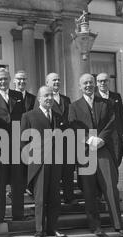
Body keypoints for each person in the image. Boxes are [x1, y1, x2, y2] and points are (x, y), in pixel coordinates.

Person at [69, 73, 123, 235]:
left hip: (103, 149)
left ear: (95, 85)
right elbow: (73, 126)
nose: (88, 85)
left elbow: (112, 122)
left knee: (110, 187)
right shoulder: (74, 106)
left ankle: (118, 224)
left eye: (91, 83)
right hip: (85, 152)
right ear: (80, 86)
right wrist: (88, 140)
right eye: (85, 83)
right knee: (89, 189)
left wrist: (101, 139)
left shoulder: (106, 103)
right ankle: (95, 226)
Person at [21, 86, 65, 237]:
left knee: (54, 198)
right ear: (39, 98)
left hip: (56, 162)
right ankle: (39, 230)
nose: (49, 98)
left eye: (51, 95)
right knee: (40, 199)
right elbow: (23, 143)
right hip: (38, 163)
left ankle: (53, 228)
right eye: (46, 95)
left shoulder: (59, 116)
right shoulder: (29, 116)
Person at [0, 67, 26, 222]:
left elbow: (22, 119)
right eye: (0, 79)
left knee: (18, 181)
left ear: (10, 80)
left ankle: (18, 214)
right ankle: (0, 216)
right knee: (0, 184)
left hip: (17, 146)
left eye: (5, 78)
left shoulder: (17, 96)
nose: (3, 81)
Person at [35, 72, 76, 204]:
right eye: (54, 80)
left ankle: (69, 197)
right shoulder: (42, 100)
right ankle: (53, 198)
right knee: (54, 174)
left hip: (66, 141)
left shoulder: (66, 99)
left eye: (58, 80)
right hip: (51, 144)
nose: (57, 82)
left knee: (68, 171)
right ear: (47, 83)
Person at [95, 72, 123, 168]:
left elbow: (121, 114)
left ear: (109, 82)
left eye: (105, 81)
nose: (102, 83)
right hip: (101, 135)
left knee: (116, 160)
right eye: (100, 81)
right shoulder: (94, 97)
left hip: (115, 135)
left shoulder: (116, 96)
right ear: (97, 83)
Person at [13, 70, 36, 197]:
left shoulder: (33, 98)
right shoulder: (10, 96)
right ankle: (16, 187)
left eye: (24, 79)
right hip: (13, 136)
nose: (21, 81)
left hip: (30, 136)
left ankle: (29, 186)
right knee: (16, 163)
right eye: (19, 79)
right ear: (14, 81)